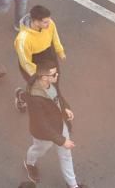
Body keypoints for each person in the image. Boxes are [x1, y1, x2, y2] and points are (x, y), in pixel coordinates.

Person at [23, 59, 87, 188]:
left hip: (59, 124)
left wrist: (65, 108)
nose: (57, 76)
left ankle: (73, 185)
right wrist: (62, 140)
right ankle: (29, 163)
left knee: (66, 155)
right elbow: (42, 124)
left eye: (56, 73)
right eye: (54, 74)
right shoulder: (35, 98)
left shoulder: (51, 83)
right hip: (43, 134)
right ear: (44, 77)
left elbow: (58, 98)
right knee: (39, 150)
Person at [14, 5, 65, 113]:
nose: (49, 23)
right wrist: (38, 76)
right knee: (38, 92)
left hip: (49, 56)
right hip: (34, 63)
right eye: (45, 22)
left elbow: (54, 36)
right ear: (36, 22)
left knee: (54, 85)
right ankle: (22, 97)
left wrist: (60, 51)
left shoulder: (49, 24)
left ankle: (55, 106)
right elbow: (25, 62)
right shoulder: (23, 39)